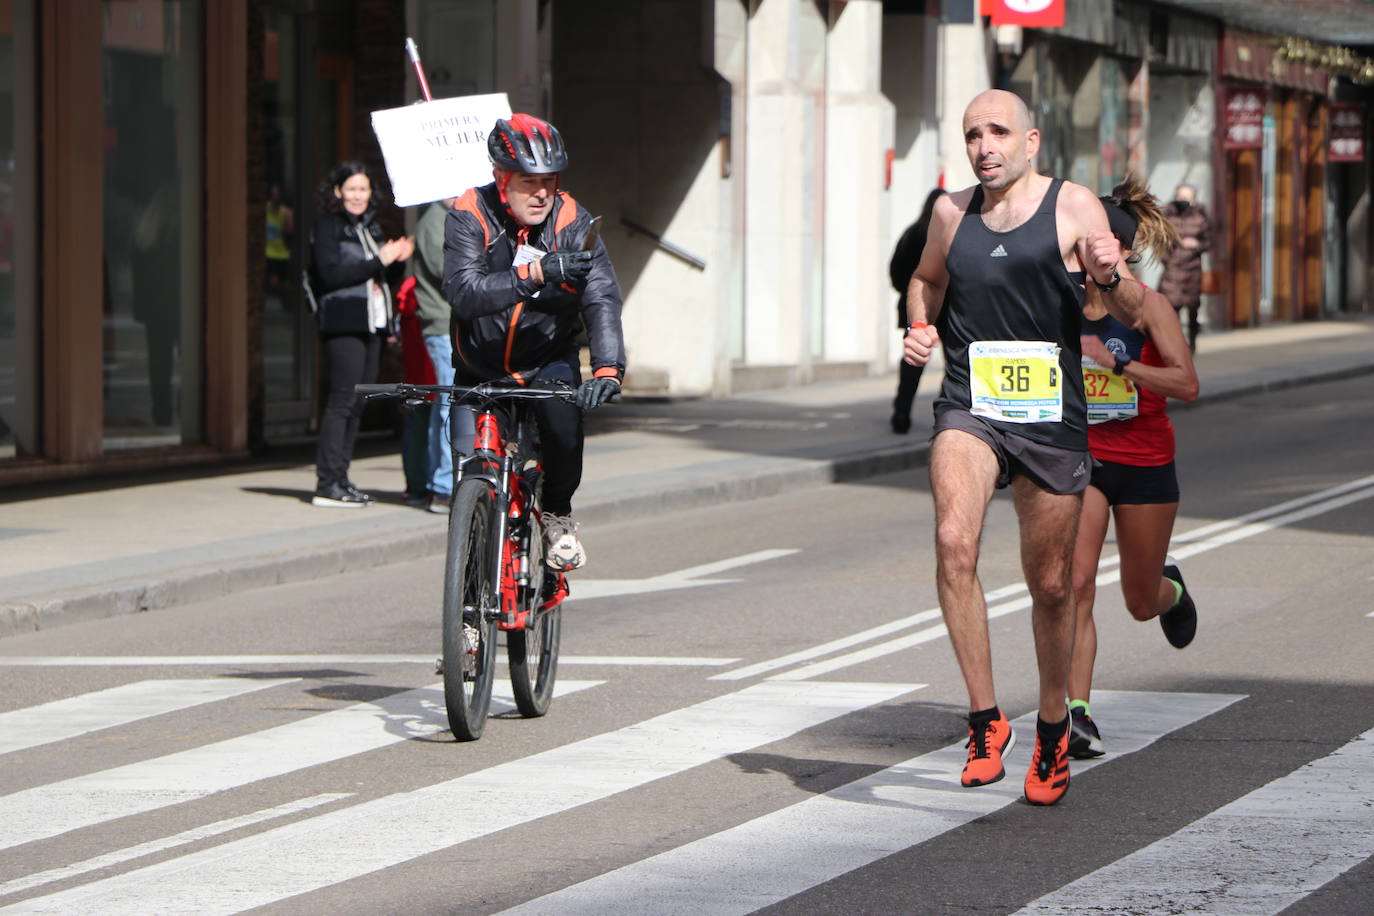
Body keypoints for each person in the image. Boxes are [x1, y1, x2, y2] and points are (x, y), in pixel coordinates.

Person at [902, 90, 1143, 806]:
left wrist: (1106, 271)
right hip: (970, 407)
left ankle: (1050, 726)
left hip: (1048, 418)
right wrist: (919, 325)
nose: (984, 146)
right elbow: (926, 281)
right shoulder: (951, 214)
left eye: (998, 132)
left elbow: (1130, 311)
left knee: (1052, 586)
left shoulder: (1072, 208)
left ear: (1031, 141)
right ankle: (984, 722)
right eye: (973, 134)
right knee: (953, 542)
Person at [442, 114, 625, 570]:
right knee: (471, 473)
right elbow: (464, 294)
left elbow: (600, 296)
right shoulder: (469, 214)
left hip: (546, 360)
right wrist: (536, 272)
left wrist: (607, 368)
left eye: (549, 181)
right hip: (479, 366)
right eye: (529, 182)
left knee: (563, 428)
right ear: (501, 179)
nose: (541, 193)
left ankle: (557, 513)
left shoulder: (571, 220)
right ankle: (469, 603)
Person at [1067, 179, 1200, 759]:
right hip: (1085, 461)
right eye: (1079, 250)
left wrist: (1123, 368)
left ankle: (1170, 589)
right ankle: (1076, 715)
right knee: (1073, 585)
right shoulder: (1061, 308)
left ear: (1119, 253)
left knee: (1139, 602)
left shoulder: (1150, 307)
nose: (1086, 260)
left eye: (1098, 250)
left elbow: (1187, 383)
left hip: (1146, 461)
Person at [309, 160, 413, 508]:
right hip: (343, 322)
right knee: (342, 400)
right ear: (338, 192)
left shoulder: (369, 227)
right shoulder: (328, 226)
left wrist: (396, 259)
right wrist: (379, 260)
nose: (357, 196)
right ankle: (327, 482)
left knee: (357, 403)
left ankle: (341, 477)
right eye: (351, 189)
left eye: (363, 190)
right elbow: (330, 275)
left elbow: (381, 277)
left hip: (373, 323)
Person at [412, 197, 461, 514]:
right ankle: (442, 487)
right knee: (447, 404)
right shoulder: (434, 220)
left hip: (451, 324)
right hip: (442, 323)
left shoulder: (449, 218)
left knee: (446, 402)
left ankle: (440, 483)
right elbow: (449, 274)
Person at [888, 189, 946, 434]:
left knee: (913, 361)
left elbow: (895, 270)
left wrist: (908, 294)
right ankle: (948, 415)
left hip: (915, 309)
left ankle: (902, 411)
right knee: (956, 364)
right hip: (947, 308)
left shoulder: (912, 233)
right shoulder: (944, 234)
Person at [1158, 184, 1211, 352]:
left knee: (1192, 310)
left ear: (1194, 199)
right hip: (1172, 272)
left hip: (1192, 272)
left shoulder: (1201, 217)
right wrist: (1168, 258)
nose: (1183, 201)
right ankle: (1176, 346)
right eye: (1180, 197)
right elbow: (1159, 242)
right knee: (1171, 312)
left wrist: (1196, 246)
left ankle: (1192, 344)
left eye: (1187, 198)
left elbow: (1210, 241)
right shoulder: (1168, 216)